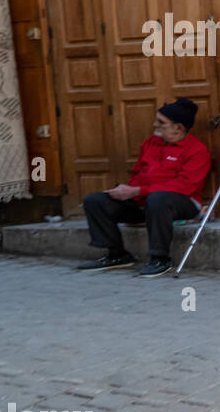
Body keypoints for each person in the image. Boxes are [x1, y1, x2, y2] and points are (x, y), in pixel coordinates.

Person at [77, 98, 211, 278]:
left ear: (178, 128)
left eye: (161, 122)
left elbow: (183, 186)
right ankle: (117, 255)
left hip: (180, 203)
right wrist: (125, 191)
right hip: (144, 202)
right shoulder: (150, 143)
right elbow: (138, 174)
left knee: (158, 199)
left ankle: (159, 259)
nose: (155, 125)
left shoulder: (197, 150)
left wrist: (138, 191)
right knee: (96, 200)